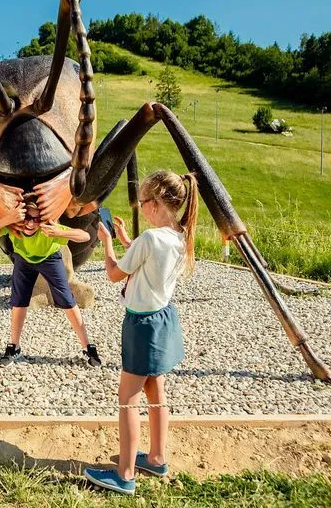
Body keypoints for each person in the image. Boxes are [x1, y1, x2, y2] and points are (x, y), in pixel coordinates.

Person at [84, 170, 199, 495]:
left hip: (141, 326)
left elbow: (113, 274)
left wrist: (107, 243)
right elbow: (150, 260)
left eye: (143, 202)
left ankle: (125, 475)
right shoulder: (180, 234)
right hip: (163, 320)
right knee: (155, 392)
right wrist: (125, 241)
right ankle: (157, 458)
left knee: (127, 401)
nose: (141, 207)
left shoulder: (149, 239)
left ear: (156, 203)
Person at [0, 200, 102, 367]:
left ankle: (88, 347)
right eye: (26, 218)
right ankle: (14, 347)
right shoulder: (15, 227)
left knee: (67, 300)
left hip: (50, 259)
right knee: (18, 302)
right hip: (23, 260)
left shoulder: (49, 229)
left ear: (42, 220)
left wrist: (59, 232)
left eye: (36, 219)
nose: (30, 223)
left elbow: (85, 236)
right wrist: (8, 219)